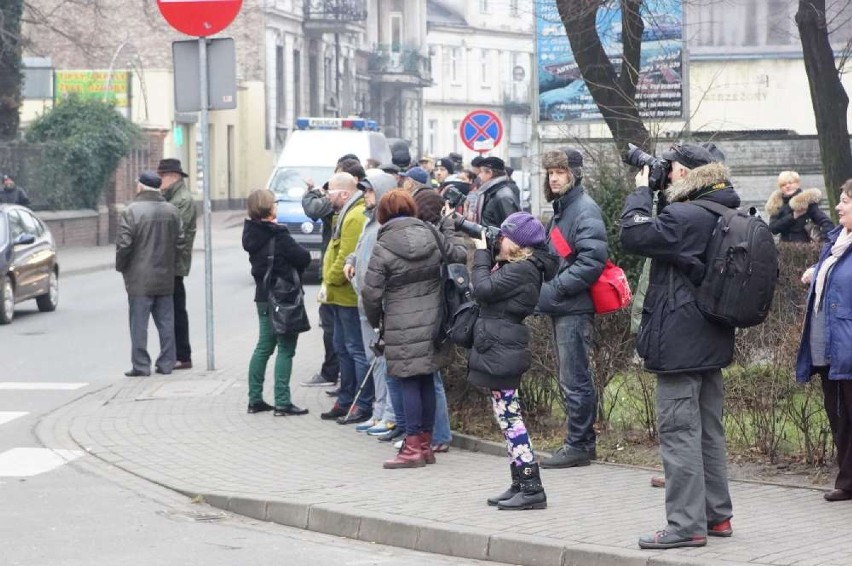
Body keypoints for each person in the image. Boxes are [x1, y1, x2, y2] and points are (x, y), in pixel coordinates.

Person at [620, 143, 737, 550]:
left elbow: (632, 233)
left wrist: (639, 192)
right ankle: (716, 516)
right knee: (708, 431)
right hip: (710, 337)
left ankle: (686, 525)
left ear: (686, 174)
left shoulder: (685, 216)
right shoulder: (723, 211)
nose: (664, 175)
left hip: (679, 342)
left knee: (679, 432)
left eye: (669, 170)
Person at [470, 212, 558, 510]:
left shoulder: (524, 270)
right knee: (506, 416)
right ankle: (519, 482)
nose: (499, 239)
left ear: (518, 244)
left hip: (503, 348)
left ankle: (532, 488)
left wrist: (481, 254)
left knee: (511, 419)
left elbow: (482, 289)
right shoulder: (517, 266)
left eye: (504, 236)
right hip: (500, 345)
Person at [362, 189, 450, 469]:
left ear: (384, 214)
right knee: (425, 379)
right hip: (434, 319)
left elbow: (371, 292)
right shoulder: (431, 234)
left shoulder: (384, 243)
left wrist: (377, 321)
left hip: (400, 323)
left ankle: (411, 446)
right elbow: (456, 254)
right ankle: (425, 445)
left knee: (409, 381)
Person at [536, 148, 607, 470]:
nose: (553, 177)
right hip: (563, 304)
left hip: (572, 306)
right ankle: (580, 442)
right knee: (571, 377)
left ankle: (578, 445)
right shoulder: (564, 208)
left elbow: (591, 261)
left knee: (575, 378)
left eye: (560, 171)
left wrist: (555, 288)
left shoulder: (583, 209)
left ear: (573, 174)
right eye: (550, 172)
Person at [796, 178, 852, 503]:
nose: (839, 207)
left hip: (847, 347)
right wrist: (817, 270)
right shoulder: (836, 243)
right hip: (830, 349)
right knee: (840, 416)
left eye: (845, 201)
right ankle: (847, 481)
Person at [241, 189, 311, 416]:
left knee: (264, 347)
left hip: (263, 296)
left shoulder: (251, 232)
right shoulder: (278, 234)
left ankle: (255, 399)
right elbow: (303, 257)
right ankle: (282, 401)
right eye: (274, 203)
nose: (276, 206)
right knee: (286, 348)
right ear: (268, 208)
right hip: (283, 297)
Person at [343, 172, 398, 436]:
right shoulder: (369, 223)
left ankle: (389, 414)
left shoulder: (386, 227)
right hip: (364, 302)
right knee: (372, 358)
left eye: (369, 191)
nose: (365, 196)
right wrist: (350, 261)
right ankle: (379, 411)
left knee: (383, 360)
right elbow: (359, 250)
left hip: (378, 305)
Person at [413, 189, 468, 453]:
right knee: (431, 376)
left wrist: (446, 226)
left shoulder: (429, 233)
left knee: (431, 377)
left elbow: (457, 254)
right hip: (435, 310)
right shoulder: (433, 231)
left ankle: (439, 435)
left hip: (433, 311)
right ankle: (435, 434)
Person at [115, 171, 182, 377]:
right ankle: (167, 363)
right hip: (165, 275)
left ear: (141, 187)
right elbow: (180, 242)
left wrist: (122, 266)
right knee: (166, 323)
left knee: (139, 324)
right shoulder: (172, 210)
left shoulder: (131, 211)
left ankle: (141, 365)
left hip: (139, 278)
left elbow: (124, 245)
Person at [319, 172, 374, 424]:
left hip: (347, 295)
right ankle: (346, 398)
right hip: (339, 296)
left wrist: (329, 279)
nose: (327, 198)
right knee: (343, 348)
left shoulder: (353, 216)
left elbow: (346, 256)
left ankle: (360, 402)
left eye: (330, 193)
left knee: (355, 350)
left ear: (343, 194)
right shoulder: (346, 213)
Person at [157, 159, 197, 370]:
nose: (159, 181)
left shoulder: (182, 200)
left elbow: (173, 231)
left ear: (173, 176)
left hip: (175, 263)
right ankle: (175, 354)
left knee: (176, 310)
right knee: (170, 309)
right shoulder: (170, 197)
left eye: (161, 176)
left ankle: (183, 354)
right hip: (170, 263)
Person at [766, 170, 834, 243]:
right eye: (783, 184)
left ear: (797, 184)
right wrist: (793, 216)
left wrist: (825, 242)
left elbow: (826, 222)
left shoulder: (806, 202)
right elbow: (773, 228)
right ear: (780, 188)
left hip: (806, 248)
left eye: (790, 183)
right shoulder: (777, 204)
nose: (787, 186)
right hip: (784, 248)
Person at [470, 156, 520, 228]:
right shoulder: (491, 192)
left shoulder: (503, 196)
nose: (479, 176)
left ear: (490, 173)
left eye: (481, 172)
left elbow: (511, 228)